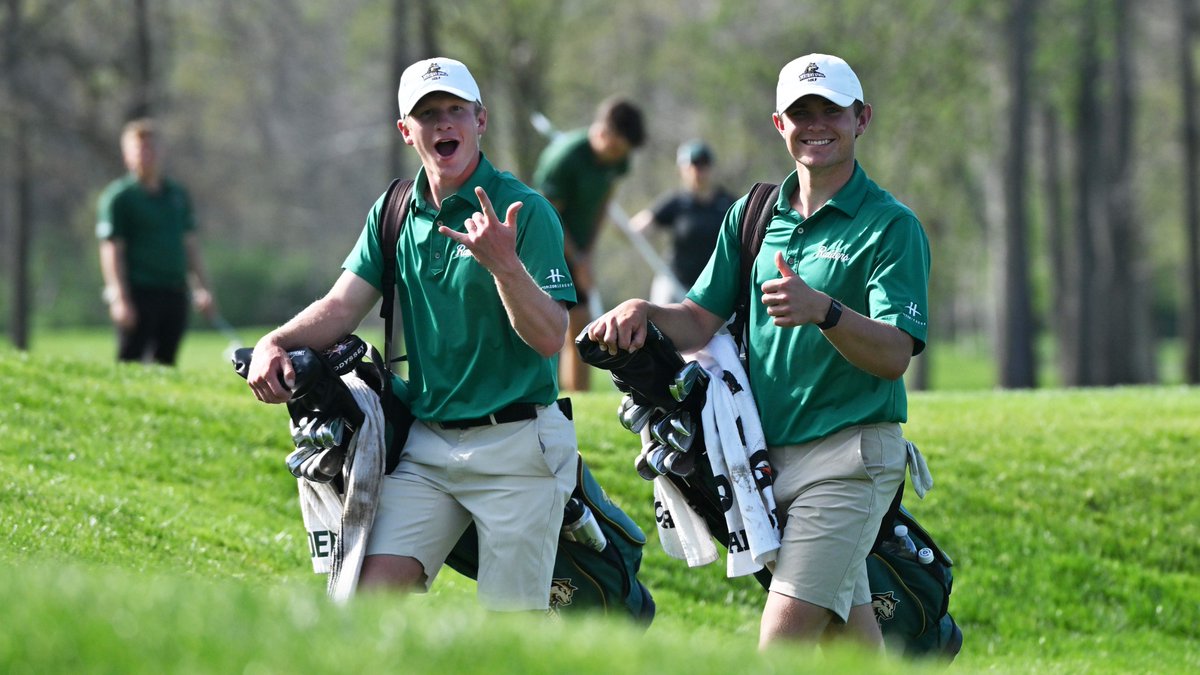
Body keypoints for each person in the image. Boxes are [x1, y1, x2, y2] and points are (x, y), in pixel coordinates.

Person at [586, 53, 931, 650]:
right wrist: (644, 310)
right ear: (779, 123)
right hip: (764, 461)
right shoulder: (753, 216)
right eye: (802, 111)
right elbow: (695, 321)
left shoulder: (889, 225)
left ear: (862, 119)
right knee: (848, 641)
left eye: (832, 111)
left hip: (850, 459)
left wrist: (824, 311)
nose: (816, 123)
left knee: (781, 643)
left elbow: (896, 352)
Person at [245, 57, 579, 613]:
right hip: (429, 446)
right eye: (427, 114)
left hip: (520, 445)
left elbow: (549, 338)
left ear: (481, 120)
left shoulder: (526, 211)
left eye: (455, 111)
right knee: (363, 607)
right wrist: (273, 341)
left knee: (511, 636)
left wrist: (504, 264)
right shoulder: (395, 211)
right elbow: (340, 307)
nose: (444, 124)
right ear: (407, 131)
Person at [533, 96, 646, 391]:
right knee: (549, 329)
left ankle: (577, 398)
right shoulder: (565, 158)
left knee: (581, 329)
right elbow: (549, 215)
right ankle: (543, 394)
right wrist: (577, 260)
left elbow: (603, 204)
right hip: (545, 249)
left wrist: (588, 253)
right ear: (603, 132)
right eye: (616, 147)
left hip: (578, 252)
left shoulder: (617, 159)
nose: (617, 156)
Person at [96, 118, 216, 365]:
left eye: (151, 148)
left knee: (166, 364)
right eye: (139, 149)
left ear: (162, 152)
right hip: (139, 292)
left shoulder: (177, 195)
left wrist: (202, 288)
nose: (146, 155)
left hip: (174, 290)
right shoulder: (119, 198)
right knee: (130, 362)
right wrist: (120, 298)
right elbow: (111, 250)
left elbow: (190, 245)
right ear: (127, 155)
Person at [629, 139, 735, 304]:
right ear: (683, 170)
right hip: (676, 282)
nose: (699, 171)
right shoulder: (677, 203)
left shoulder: (728, 204)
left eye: (704, 165)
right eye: (694, 165)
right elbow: (643, 223)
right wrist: (631, 230)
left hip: (714, 287)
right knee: (661, 323)